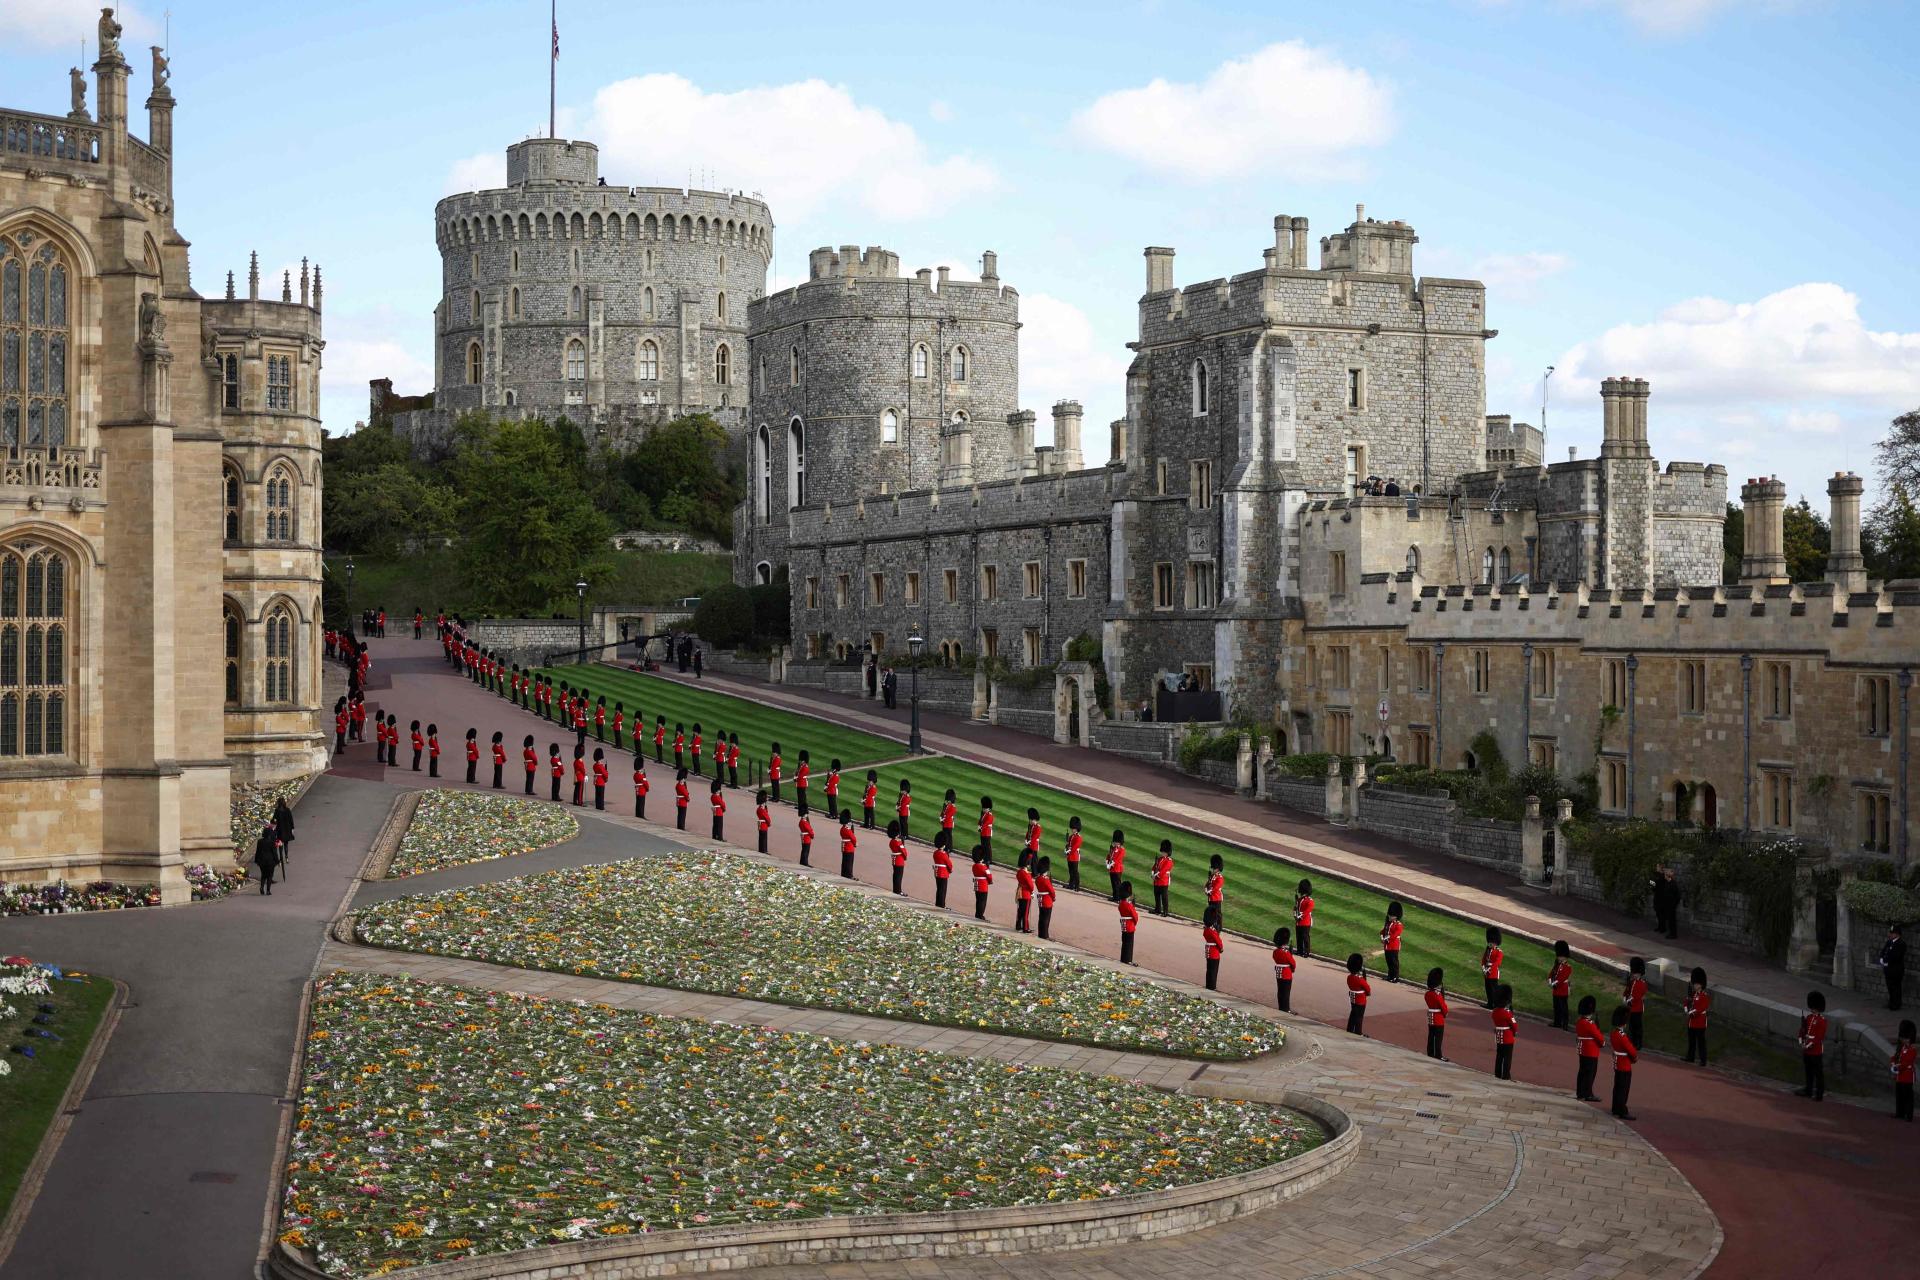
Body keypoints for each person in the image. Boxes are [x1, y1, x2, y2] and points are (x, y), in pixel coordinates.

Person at [1795, 990, 1828, 1101]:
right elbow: (1803, 1031)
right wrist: (1801, 1041)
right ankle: (1808, 1090)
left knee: (1818, 1073)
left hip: (1815, 1051)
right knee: (1808, 1071)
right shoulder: (1809, 1018)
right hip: (1807, 1050)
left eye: (1814, 1007)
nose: (1812, 1009)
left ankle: (1819, 1094)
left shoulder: (1822, 1021)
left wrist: (1808, 1045)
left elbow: (1818, 1037)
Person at [1608, 1007, 1639, 1120]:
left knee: (1617, 1087)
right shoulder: (1622, 1036)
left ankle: (1615, 1107)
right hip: (1624, 1065)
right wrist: (1634, 1057)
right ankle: (1622, 1110)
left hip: (1617, 1063)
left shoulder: (1613, 1033)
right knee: (1623, 1089)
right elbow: (1632, 1051)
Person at [1574, 996, 1605, 1102]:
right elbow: (1599, 1037)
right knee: (1590, 1073)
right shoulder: (1589, 1024)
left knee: (1582, 1072)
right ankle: (1588, 1094)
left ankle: (1580, 1092)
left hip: (1582, 1050)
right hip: (1591, 1051)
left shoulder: (1579, 1022)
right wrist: (1603, 1043)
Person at [1491, 984, 1517, 1080]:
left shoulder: (1495, 1012)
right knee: (1507, 1058)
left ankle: (1497, 1073)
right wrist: (1515, 1032)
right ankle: (1506, 1075)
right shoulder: (1507, 1012)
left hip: (1499, 1037)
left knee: (1499, 1056)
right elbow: (1514, 1025)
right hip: (1508, 1037)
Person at [1879, 924, 1907, 1011]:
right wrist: (1882, 959)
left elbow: (1896, 956)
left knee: (1896, 987)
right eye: (1890, 933)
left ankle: (1896, 1004)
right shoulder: (1889, 942)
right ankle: (1891, 1002)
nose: (1890, 934)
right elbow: (1883, 951)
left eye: (1893, 933)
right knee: (1890, 987)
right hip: (1888, 969)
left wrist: (1886, 961)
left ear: (1898, 934)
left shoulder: (1901, 944)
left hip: (1896, 970)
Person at [1892, 1019, 1916, 1122]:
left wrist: (1897, 1067)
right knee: (1899, 1094)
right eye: (1903, 1038)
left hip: (1907, 1076)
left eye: (1906, 1038)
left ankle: (1909, 1114)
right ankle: (1900, 1113)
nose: (1904, 1040)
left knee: (1908, 1096)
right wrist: (1893, 1062)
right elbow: (1896, 1057)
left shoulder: (1912, 1050)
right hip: (1900, 1076)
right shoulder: (1902, 1048)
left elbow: (1907, 1062)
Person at [1623, 957, 1649, 1049]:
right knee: (1632, 1027)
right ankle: (1633, 1042)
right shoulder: (1631, 982)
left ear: (1639, 973)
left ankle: (1638, 1043)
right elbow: (1627, 991)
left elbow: (1637, 996)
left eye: (1635, 973)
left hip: (1637, 1008)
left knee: (1638, 1027)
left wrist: (1629, 1000)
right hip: (1631, 1008)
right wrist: (1625, 998)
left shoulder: (1642, 983)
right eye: (1633, 972)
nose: (1633, 974)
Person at [1424, 968, 1448, 1059]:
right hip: (1438, 1019)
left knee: (1431, 1036)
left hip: (1431, 1018)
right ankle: (1438, 1055)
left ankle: (1430, 1052)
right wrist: (1445, 1013)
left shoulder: (1427, 994)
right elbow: (1444, 1007)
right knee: (1438, 1038)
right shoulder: (1437, 995)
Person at [1548, 941, 1573, 1030]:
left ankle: (1565, 1024)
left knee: (1563, 1008)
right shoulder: (1557, 966)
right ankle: (1557, 1022)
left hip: (1562, 989)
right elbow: (1551, 973)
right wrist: (1550, 980)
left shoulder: (1568, 967)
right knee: (1556, 1007)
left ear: (1564, 956)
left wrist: (1553, 983)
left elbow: (1562, 978)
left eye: (1559, 956)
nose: (1558, 957)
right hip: (1556, 989)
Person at [1651, 866, 1680, 939]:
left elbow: (1677, 896)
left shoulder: (1670, 883)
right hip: (1663, 901)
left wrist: (1674, 904)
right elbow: (1653, 884)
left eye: (1658, 867)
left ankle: (1670, 932)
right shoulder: (1663, 881)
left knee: (1669, 919)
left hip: (1669, 903)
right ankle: (1663, 929)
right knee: (1661, 914)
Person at [253, 823, 281, 895]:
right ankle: (268, 890)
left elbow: (258, 851)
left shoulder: (260, 841)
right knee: (269, 875)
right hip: (270, 861)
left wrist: (256, 860)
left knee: (263, 875)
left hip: (261, 861)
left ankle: (261, 887)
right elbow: (274, 853)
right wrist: (278, 861)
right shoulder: (272, 842)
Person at [1272, 928, 1296, 1011]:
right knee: (1286, 992)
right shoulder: (1286, 952)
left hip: (1279, 973)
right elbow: (1293, 963)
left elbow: (1276, 959)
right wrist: (1290, 954)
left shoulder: (1275, 952)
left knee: (1280, 991)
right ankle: (1286, 1009)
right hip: (1286, 973)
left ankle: (1281, 1007)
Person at [1481, 927, 1505, 1007]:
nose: (1490, 943)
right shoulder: (1487, 949)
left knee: (1493, 990)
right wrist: (1483, 968)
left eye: (1492, 942)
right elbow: (1484, 959)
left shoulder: (1499, 952)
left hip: (1493, 973)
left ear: (1495, 942)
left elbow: (1497, 963)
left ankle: (1495, 1004)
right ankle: (1490, 1003)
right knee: (1488, 989)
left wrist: (1489, 968)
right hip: (1487, 973)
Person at [1117, 879, 1139, 965]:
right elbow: (1134, 915)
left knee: (1124, 941)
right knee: (1129, 943)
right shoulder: (1128, 904)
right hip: (1130, 924)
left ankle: (1123, 958)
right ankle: (1128, 959)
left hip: (1124, 923)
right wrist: (1135, 922)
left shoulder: (1121, 903)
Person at [1204, 908, 1225, 992]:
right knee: (1213, 970)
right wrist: (1221, 948)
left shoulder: (1206, 930)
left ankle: (1208, 985)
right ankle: (1212, 987)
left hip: (1208, 951)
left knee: (1209, 970)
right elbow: (1218, 941)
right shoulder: (1212, 930)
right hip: (1214, 952)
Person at [273, 796, 296, 872]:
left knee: (280, 845)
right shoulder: (287, 810)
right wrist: (292, 828)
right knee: (286, 844)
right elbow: (291, 819)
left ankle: (280, 859)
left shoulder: (277, 811)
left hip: (280, 830)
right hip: (287, 829)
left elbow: (273, 820)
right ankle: (286, 857)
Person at [1035, 856, 1056, 940]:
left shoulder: (1038, 879)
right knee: (1046, 919)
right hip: (1047, 900)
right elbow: (1052, 891)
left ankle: (1041, 934)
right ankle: (1045, 936)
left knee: (1041, 918)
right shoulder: (1045, 880)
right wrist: (1053, 898)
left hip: (1041, 900)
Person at [1150, 841, 1174, 916]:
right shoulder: (1159, 859)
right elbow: (1154, 867)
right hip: (1156, 881)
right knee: (1156, 895)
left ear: (1167, 852)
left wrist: (1156, 876)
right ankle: (1157, 910)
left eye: (1164, 851)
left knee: (1164, 897)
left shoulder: (1169, 861)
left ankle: (1165, 912)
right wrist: (1152, 873)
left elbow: (1163, 870)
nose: (1162, 853)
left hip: (1163, 881)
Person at [1294, 880, 1315, 958]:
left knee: (1305, 937)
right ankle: (1300, 951)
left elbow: (1307, 911)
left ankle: (1306, 952)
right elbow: (1296, 908)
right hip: (1298, 921)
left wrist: (1299, 916)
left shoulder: (1310, 901)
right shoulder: (1300, 899)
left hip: (1305, 922)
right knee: (1298, 937)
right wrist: (1295, 914)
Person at [1014, 851, 1035, 932]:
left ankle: (1018, 926)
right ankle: (1025, 928)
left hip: (1020, 892)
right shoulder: (1026, 874)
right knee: (1025, 912)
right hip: (1026, 894)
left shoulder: (1019, 872)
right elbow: (1031, 886)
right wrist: (1032, 892)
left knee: (1020, 910)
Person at [931, 832, 953, 908]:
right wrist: (950, 870)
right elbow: (949, 864)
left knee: (939, 888)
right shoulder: (943, 854)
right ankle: (942, 905)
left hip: (937, 872)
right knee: (943, 890)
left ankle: (938, 903)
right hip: (943, 873)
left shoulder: (935, 853)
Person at [971, 845, 992, 919]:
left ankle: (977, 914)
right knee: (983, 901)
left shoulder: (974, 866)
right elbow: (989, 876)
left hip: (976, 884)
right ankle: (980, 915)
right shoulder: (983, 867)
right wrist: (990, 881)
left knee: (978, 900)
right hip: (983, 885)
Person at [1063, 815, 1083, 892]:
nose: (1072, 829)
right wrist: (1066, 849)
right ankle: (1071, 885)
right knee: (1070, 871)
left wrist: (1068, 851)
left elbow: (1075, 847)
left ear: (1077, 828)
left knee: (1075, 871)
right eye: (1072, 828)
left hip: (1074, 856)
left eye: (1074, 828)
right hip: (1070, 856)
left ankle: (1077, 886)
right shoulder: (1071, 836)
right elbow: (1068, 844)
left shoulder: (1079, 837)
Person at [1205, 853, 1225, 927]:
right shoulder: (1212, 876)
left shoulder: (1220, 877)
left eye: (1214, 868)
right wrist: (1206, 888)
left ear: (1218, 869)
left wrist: (1209, 891)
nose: (1213, 869)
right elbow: (1208, 884)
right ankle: (1211, 924)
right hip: (1211, 897)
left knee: (1218, 913)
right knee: (1211, 912)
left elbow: (1216, 888)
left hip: (1216, 898)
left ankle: (1219, 926)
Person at [889, 821, 909, 895]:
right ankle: (898, 891)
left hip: (894, 860)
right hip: (899, 860)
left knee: (895, 875)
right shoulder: (898, 842)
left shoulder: (891, 841)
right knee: (899, 876)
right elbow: (904, 852)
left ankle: (895, 889)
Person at [1106, 828, 1126, 901]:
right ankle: (1115, 896)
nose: (1115, 843)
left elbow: (1117, 859)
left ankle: (1118, 897)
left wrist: (1110, 864)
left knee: (1117, 884)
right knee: (1113, 884)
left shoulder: (1122, 850)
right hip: (1112, 869)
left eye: (1116, 841)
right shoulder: (1113, 848)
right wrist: (1107, 862)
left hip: (1117, 869)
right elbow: (1109, 856)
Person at [839, 809, 858, 879]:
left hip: (844, 847)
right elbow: (853, 838)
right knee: (849, 862)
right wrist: (855, 843)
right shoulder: (847, 830)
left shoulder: (842, 829)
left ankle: (844, 874)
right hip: (849, 847)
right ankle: (849, 875)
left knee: (844, 862)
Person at [977, 797, 995, 862]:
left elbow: (986, 823)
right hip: (983, 832)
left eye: (985, 808)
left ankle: (988, 859)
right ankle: (985, 858)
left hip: (987, 833)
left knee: (987, 847)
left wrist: (980, 827)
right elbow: (981, 820)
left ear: (989, 808)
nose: (984, 809)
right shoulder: (983, 814)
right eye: (983, 808)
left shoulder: (990, 815)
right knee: (983, 846)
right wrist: (979, 825)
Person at [794, 750, 811, 815]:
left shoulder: (805, 767)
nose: (800, 761)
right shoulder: (801, 766)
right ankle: (800, 806)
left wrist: (796, 778)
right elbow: (798, 773)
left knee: (802, 797)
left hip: (802, 783)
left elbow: (801, 775)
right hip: (799, 783)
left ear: (804, 760)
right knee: (799, 796)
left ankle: (805, 809)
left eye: (801, 760)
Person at [633, 754, 649, 819]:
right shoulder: (640, 776)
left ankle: (638, 814)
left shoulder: (635, 775)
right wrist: (647, 788)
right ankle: (641, 815)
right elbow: (645, 783)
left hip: (637, 790)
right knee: (641, 804)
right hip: (642, 790)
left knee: (638, 803)